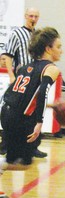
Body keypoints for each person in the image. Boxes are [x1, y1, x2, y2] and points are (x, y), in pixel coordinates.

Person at [0, 27, 62, 185]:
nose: (61, 51)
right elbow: (42, 93)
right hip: (19, 119)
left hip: (7, 111)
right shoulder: (51, 69)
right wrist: (39, 122)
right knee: (24, 164)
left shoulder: (26, 67)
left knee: (12, 159)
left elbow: (23, 95)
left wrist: (50, 106)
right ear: (48, 48)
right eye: (58, 47)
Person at [1, 7, 47, 158]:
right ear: (25, 16)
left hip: (35, 80)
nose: (33, 18)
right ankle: (6, 144)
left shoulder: (38, 36)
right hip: (21, 79)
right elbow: (7, 55)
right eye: (30, 16)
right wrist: (12, 76)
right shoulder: (17, 33)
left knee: (33, 114)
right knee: (14, 113)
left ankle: (33, 146)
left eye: (36, 16)